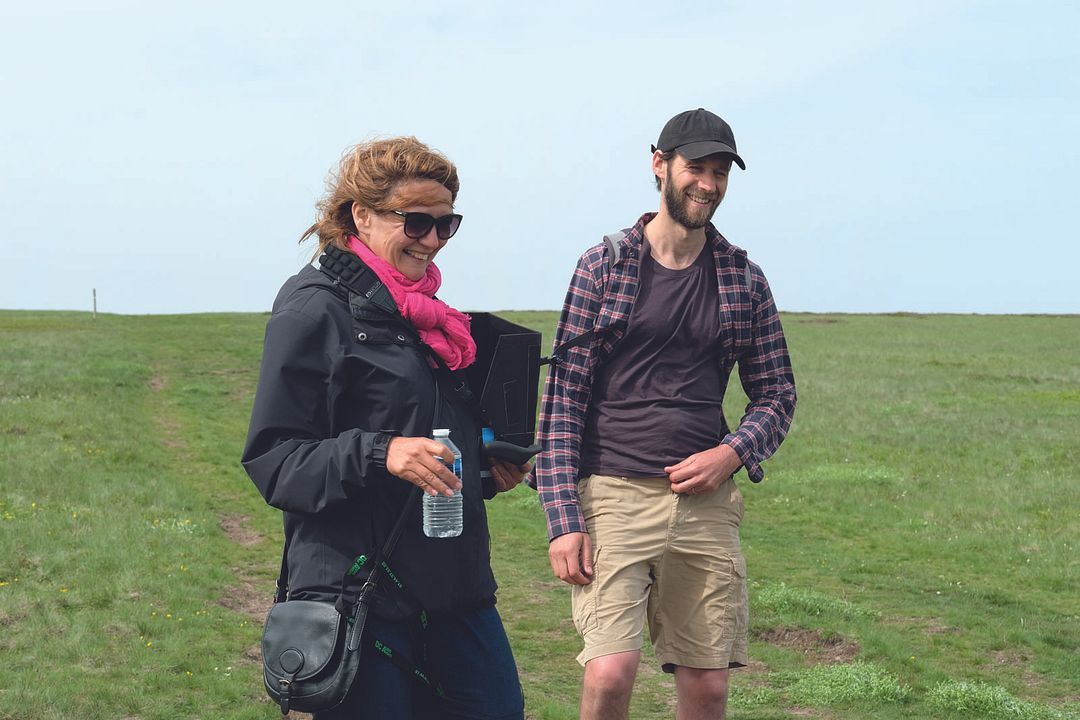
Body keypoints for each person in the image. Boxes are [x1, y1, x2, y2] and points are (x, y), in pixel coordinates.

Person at [242, 136, 528, 720]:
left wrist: (484, 470)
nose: (433, 240)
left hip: (454, 586)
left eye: (446, 224)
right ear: (362, 216)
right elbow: (275, 460)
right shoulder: (313, 309)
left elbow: (427, 434)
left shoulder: (430, 318)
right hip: (359, 592)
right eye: (416, 222)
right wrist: (380, 453)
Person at [535, 109, 797, 720]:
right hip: (613, 494)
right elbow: (565, 396)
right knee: (610, 674)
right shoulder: (604, 265)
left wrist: (731, 453)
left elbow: (777, 393)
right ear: (659, 165)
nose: (708, 184)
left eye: (719, 173)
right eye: (695, 168)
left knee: (707, 688)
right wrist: (563, 518)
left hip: (705, 506)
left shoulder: (743, 278)